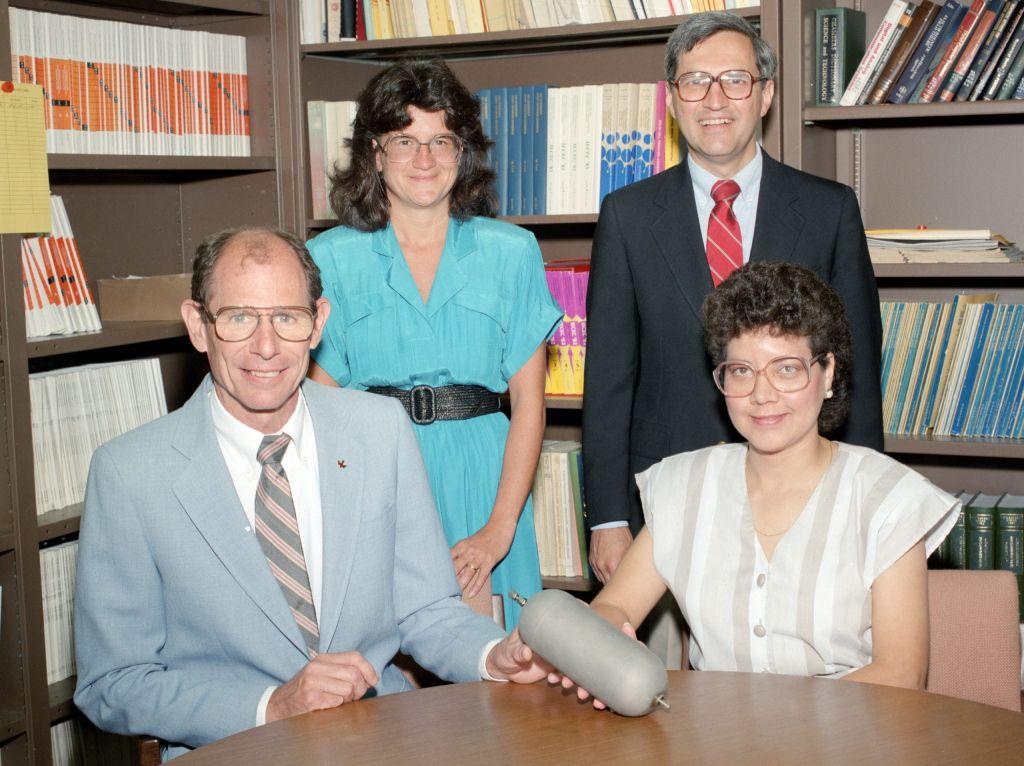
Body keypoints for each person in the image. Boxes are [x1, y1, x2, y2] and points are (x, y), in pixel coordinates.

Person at [73, 226, 548, 761]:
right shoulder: (129, 473)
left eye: (286, 317)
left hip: (380, 743)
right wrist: (270, 707)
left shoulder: (380, 430)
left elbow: (427, 611)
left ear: (318, 323)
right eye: (238, 318)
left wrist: (493, 654)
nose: (266, 346)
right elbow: (111, 682)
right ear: (198, 327)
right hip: (231, 749)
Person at [582, 11, 884, 584]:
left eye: (735, 80)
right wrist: (609, 516)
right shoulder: (628, 216)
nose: (713, 99)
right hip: (665, 507)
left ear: (765, 95)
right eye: (695, 81)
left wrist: (863, 499)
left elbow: (857, 372)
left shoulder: (829, 211)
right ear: (673, 100)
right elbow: (609, 378)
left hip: (803, 499)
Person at [563, 261, 957, 698]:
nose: (761, 394)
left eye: (786, 368)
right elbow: (614, 605)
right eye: (742, 371)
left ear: (826, 373)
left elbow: (902, 676)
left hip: (849, 739)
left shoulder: (888, 499)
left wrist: (768, 719)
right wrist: (596, 642)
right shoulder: (686, 484)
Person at [307, 59, 563, 629]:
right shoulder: (330, 258)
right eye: (404, 141)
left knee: (491, 679)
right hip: (377, 481)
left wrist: (499, 530)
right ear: (375, 154)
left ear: (462, 152)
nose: (424, 160)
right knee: (384, 684)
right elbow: (316, 412)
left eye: (440, 140)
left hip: (484, 482)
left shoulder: (512, 252)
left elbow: (530, 406)